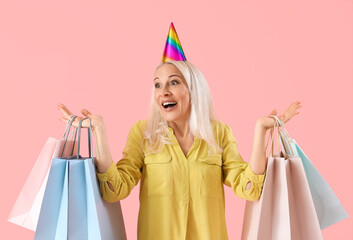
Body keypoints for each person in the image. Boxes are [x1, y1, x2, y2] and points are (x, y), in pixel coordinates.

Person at [57, 23, 301, 240]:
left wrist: (261, 131)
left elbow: (249, 188)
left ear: (193, 89)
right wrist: (99, 130)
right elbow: (115, 190)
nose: (163, 91)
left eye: (174, 82)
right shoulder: (142, 134)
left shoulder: (220, 134)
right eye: (157, 84)